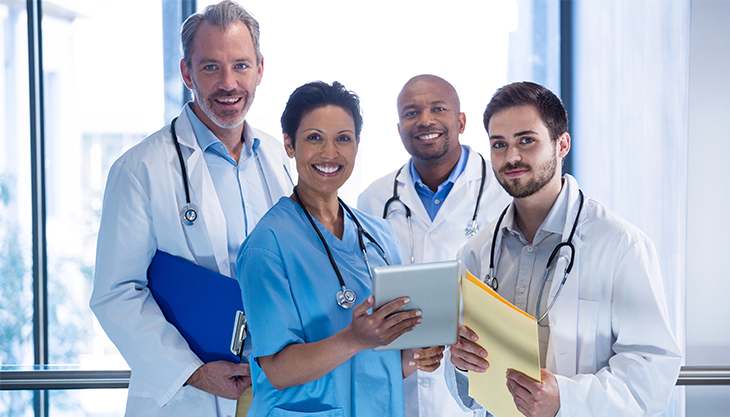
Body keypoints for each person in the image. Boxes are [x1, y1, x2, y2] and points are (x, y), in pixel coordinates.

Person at [89, 2, 293, 416]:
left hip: (273, 386)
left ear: (260, 70)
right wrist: (193, 372)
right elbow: (115, 295)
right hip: (189, 395)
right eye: (211, 68)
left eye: (241, 65)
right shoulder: (140, 169)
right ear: (187, 73)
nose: (229, 83)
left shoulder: (278, 158)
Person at [446, 81, 682, 417]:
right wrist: (461, 364)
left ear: (562, 144)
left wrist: (566, 401)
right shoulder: (476, 252)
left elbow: (652, 374)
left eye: (527, 140)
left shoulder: (620, 245)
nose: (511, 156)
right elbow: (468, 390)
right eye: (499, 144)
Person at [237, 81, 445, 417]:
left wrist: (416, 357)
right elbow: (276, 369)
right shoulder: (267, 246)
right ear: (289, 145)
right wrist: (354, 338)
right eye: (314, 138)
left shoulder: (379, 236)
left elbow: (381, 358)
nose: (330, 153)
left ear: (357, 145)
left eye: (343, 138)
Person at [358, 74, 510, 417]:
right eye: (411, 113)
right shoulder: (374, 201)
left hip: (476, 387)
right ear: (399, 129)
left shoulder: (501, 195)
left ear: (460, 121)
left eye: (437, 109)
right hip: (398, 390)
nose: (425, 120)